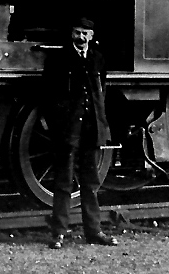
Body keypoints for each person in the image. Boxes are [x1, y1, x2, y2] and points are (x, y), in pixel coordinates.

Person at [43, 17, 119, 249]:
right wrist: (54, 122)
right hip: (68, 129)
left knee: (90, 182)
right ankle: (58, 233)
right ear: (71, 34)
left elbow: (101, 90)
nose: (81, 37)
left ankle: (93, 231)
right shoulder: (58, 59)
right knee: (64, 182)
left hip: (90, 129)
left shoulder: (97, 58)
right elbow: (48, 93)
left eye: (86, 33)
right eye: (77, 32)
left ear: (92, 36)